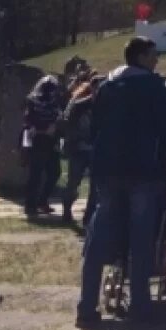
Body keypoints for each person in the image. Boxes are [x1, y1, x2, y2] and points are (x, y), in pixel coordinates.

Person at [76, 37, 166, 328]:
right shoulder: (154, 87)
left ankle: (87, 306)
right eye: (154, 54)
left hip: (108, 170)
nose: (157, 59)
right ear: (142, 57)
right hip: (144, 170)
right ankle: (140, 305)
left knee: (97, 239)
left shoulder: (107, 86)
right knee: (141, 239)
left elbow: (95, 126)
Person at [62, 76, 100, 226]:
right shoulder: (79, 105)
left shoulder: (106, 105)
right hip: (79, 149)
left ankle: (89, 216)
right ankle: (67, 210)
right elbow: (68, 124)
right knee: (73, 182)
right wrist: (75, 141)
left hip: (95, 150)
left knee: (95, 186)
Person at [24, 75, 63, 218]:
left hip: (52, 140)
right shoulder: (32, 100)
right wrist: (41, 129)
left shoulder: (56, 101)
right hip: (38, 140)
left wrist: (55, 127)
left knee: (54, 172)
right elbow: (28, 120)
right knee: (36, 173)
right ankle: (30, 205)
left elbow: (59, 116)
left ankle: (42, 200)